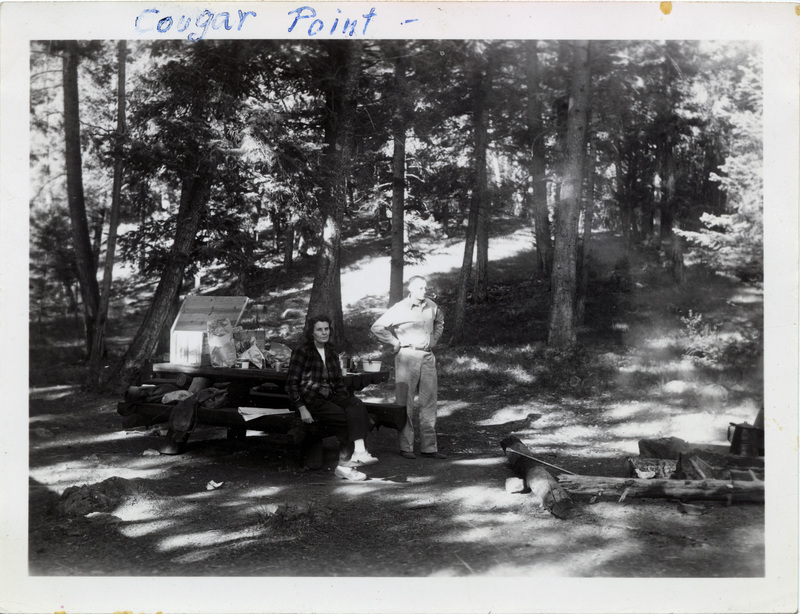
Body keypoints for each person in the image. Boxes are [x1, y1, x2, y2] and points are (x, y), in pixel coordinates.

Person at [286, 314, 378, 481]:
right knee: (346, 419)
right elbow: (291, 383)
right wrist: (302, 409)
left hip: (331, 396)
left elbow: (337, 380)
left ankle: (359, 451)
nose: (324, 333)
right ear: (311, 332)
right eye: (319, 329)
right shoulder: (303, 351)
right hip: (312, 400)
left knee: (357, 405)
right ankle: (344, 466)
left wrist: (344, 399)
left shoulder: (331, 351)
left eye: (326, 329)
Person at [371, 276, 446, 459]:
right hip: (406, 357)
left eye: (425, 288)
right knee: (405, 402)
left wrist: (433, 341)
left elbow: (440, 322)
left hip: (427, 356)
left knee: (429, 402)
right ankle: (406, 447)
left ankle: (429, 448)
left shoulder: (431, 306)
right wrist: (394, 342)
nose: (423, 291)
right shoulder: (400, 308)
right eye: (420, 288)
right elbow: (377, 327)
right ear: (411, 289)